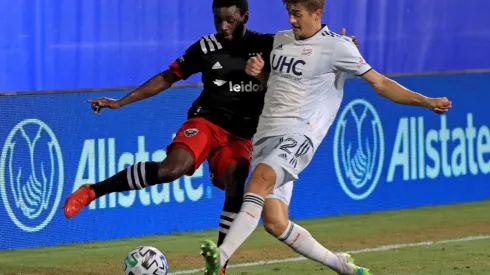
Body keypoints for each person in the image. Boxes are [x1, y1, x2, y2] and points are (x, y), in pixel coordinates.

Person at [199, 0, 453, 274]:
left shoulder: (337, 47)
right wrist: (259, 74)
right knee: (275, 222)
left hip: (300, 135)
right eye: (289, 13)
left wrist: (425, 100)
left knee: (258, 181)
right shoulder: (281, 40)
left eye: (297, 14)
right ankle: (341, 265)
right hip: (266, 135)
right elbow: (279, 85)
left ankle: (221, 258)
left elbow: (380, 84)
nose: (292, 20)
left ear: (317, 13)